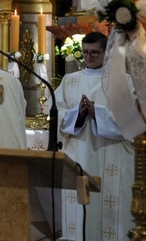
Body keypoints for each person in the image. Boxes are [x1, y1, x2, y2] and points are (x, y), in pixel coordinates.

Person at [54, 32, 135, 240]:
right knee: (80, 214)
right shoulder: (69, 81)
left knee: (108, 214)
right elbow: (55, 112)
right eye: (85, 53)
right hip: (77, 155)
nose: (89, 57)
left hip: (110, 154)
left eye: (94, 53)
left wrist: (97, 113)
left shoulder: (122, 81)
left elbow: (132, 120)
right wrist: (77, 115)